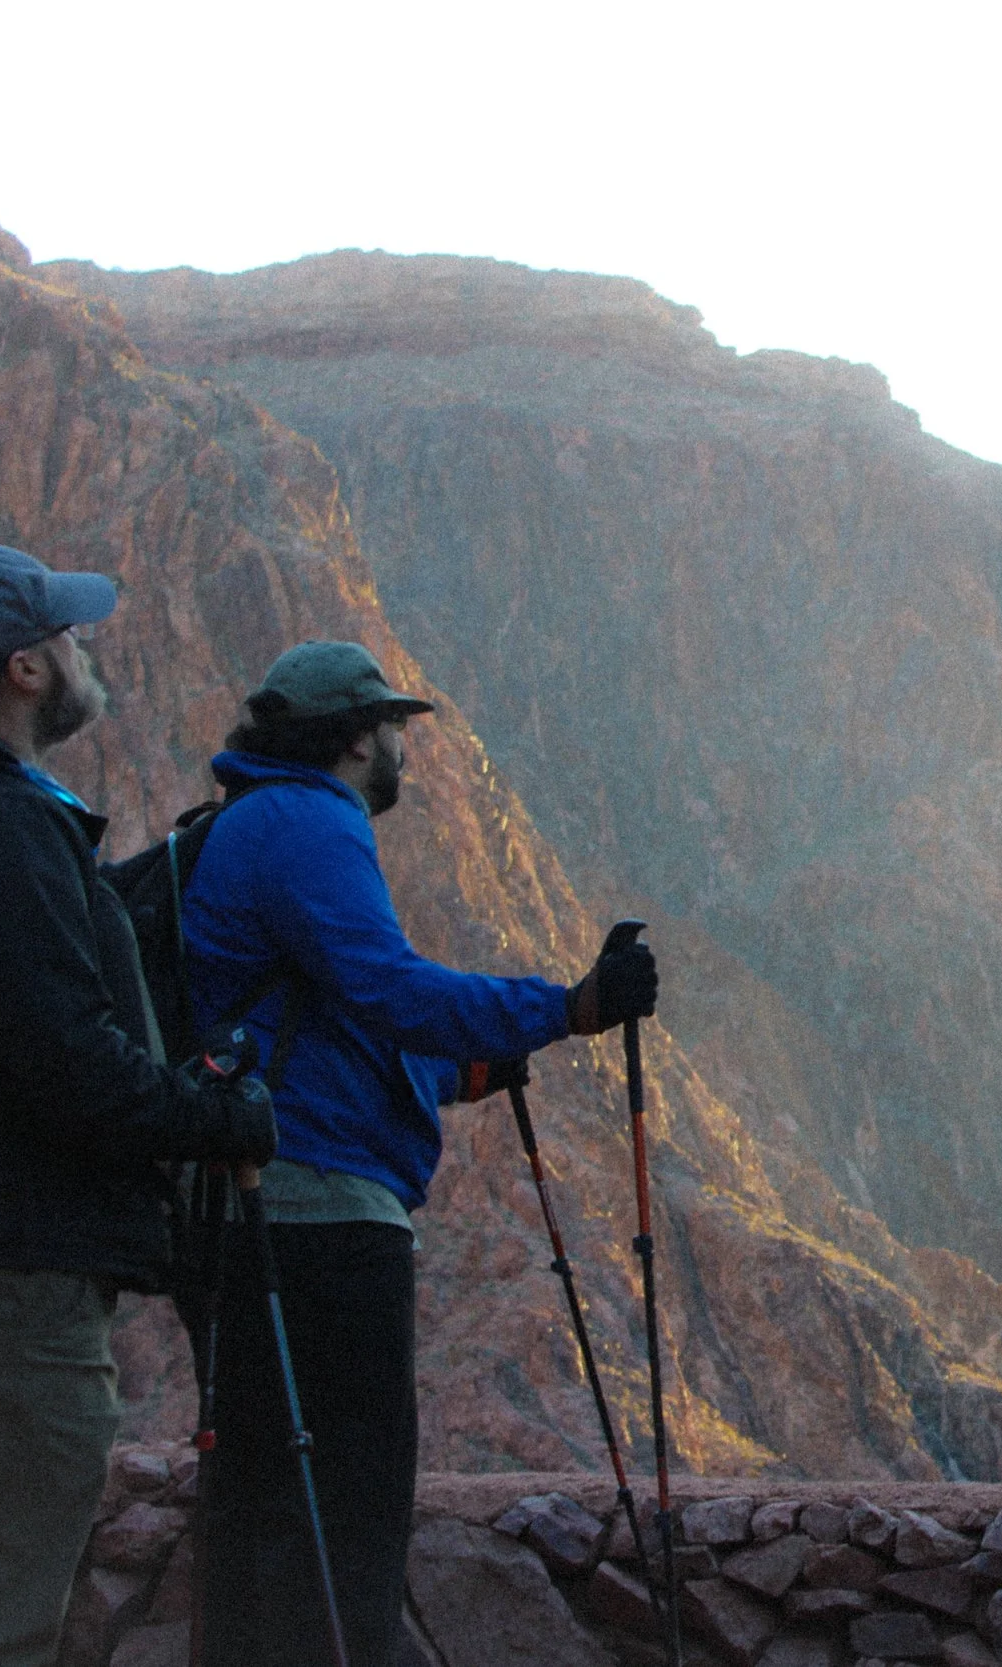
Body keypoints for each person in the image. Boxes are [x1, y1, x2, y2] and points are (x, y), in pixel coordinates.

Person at [180, 640, 658, 1667]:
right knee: (341, 1506)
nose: (403, 746)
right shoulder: (309, 821)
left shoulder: (259, 819)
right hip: (314, 1218)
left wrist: (470, 1070)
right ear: (356, 735)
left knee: (268, 1507)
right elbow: (392, 990)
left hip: (270, 1202)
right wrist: (566, 1008)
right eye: (393, 727)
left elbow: (342, 1029)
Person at [0, 545, 277, 1667]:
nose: (91, 651)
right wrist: (210, 1112)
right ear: (26, 668)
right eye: (73, 636)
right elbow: (68, 1064)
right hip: (6, 1269)